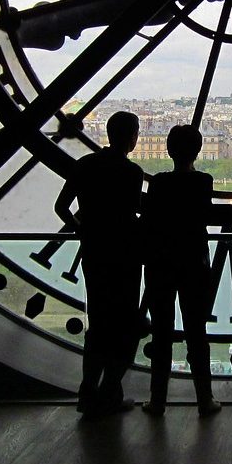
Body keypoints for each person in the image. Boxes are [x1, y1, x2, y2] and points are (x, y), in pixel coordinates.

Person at [55, 111, 144, 418]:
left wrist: (82, 228)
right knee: (125, 326)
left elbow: (61, 206)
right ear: (131, 138)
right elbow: (137, 211)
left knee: (99, 324)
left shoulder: (86, 166)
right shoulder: (131, 173)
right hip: (125, 255)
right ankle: (109, 390)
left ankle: (89, 390)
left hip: (94, 252)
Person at [141, 125, 221, 417]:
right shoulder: (203, 181)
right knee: (196, 333)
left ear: (169, 150)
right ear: (197, 151)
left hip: (161, 263)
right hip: (193, 262)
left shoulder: (159, 183)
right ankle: (204, 398)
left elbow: (149, 221)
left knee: (161, 334)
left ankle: (158, 400)